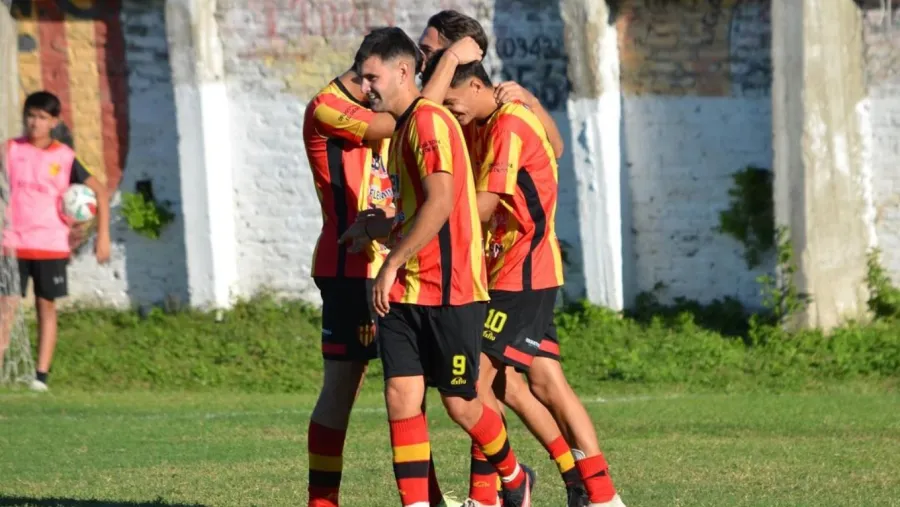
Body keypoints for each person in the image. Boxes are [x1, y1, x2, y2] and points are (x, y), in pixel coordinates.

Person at [421, 54, 627, 507]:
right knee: (537, 384)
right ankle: (594, 490)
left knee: (473, 383)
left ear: (475, 84)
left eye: (451, 100)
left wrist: (422, 229)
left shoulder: (509, 123)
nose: (447, 109)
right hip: (509, 271)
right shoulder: (477, 121)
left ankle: (504, 486)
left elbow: (485, 205)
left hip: (523, 274)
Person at [341, 27, 534, 507]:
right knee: (400, 398)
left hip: (451, 290)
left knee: (461, 405)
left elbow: (442, 201)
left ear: (402, 71)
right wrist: (375, 227)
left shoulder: (427, 122)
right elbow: (413, 211)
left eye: (372, 77)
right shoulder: (402, 128)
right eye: (362, 78)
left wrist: (390, 263)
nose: (365, 87)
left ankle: (514, 477)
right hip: (404, 292)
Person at [303, 61, 473, 507]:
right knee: (344, 388)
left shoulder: (397, 112)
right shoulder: (327, 106)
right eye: (370, 77)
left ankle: (429, 497)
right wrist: (449, 62)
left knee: (407, 391)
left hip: (392, 265)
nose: (371, 86)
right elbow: (400, 119)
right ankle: (322, 501)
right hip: (351, 267)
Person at [0, 91, 111, 392]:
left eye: (42, 117)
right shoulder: (10, 150)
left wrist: (102, 236)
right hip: (12, 243)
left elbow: (100, 192)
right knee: (6, 308)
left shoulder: (64, 157)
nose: (34, 123)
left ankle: (41, 376)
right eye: (30, 116)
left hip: (50, 244)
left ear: (54, 122)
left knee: (45, 306)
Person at [417, 10, 565, 160]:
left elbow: (556, 150)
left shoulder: (493, 103)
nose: (420, 61)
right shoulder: (432, 100)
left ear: (463, 53)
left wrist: (533, 104)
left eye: (427, 51)